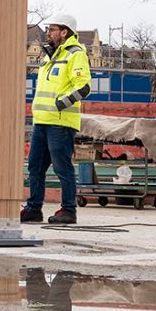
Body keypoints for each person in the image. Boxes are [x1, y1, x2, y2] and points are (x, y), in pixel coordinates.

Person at [22, 12, 91, 226]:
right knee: (35, 166)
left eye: (51, 29)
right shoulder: (48, 56)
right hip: (42, 120)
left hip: (60, 122)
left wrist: (61, 103)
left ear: (64, 32)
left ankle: (68, 210)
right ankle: (34, 208)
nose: (47, 33)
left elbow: (84, 87)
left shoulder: (75, 54)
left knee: (62, 168)